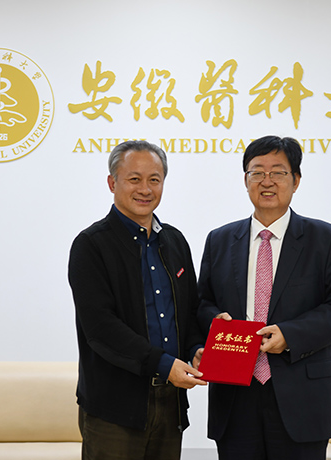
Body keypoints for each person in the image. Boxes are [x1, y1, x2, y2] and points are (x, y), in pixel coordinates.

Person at [196, 135, 331, 460]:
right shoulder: (220, 240)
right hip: (234, 394)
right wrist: (214, 320)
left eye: (278, 172)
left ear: (296, 180)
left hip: (302, 394)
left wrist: (289, 335)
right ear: (245, 180)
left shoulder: (326, 239)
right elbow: (202, 302)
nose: (267, 181)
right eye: (257, 172)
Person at [68, 140, 206, 460]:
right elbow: (100, 328)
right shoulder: (91, 245)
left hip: (170, 403)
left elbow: (188, 312)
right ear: (112, 182)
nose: (145, 189)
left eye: (154, 180)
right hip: (114, 408)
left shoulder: (175, 241)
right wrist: (163, 364)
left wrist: (196, 349)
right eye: (134, 179)